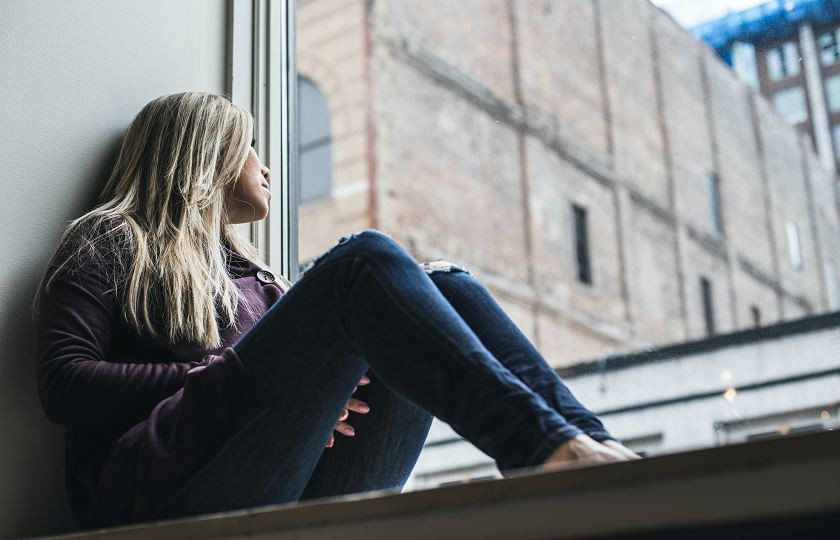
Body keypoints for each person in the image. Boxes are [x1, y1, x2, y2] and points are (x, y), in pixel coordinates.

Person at [34, 92, 638, 530]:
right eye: (248, 146)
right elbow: (64, 385)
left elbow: (284, 391)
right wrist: (223, 375)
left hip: (292, 485)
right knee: (363, 258)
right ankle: (542, 451)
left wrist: (315, 396)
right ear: (202, 153)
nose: (265, 166)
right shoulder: (113, 239)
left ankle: (593, 449)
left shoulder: (260, 282)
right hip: (162, 490)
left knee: (447, 283)